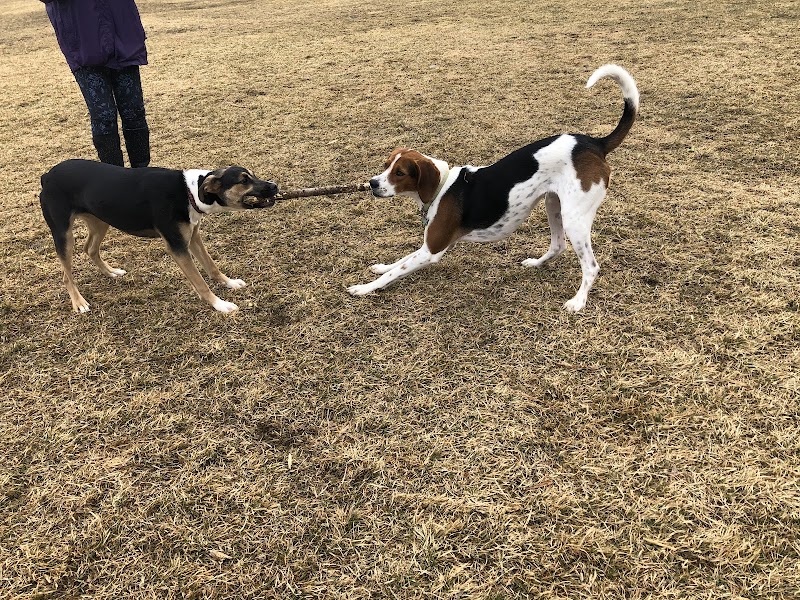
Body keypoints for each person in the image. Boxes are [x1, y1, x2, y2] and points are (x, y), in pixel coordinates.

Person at [41, 0, 151, 167]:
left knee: (134, 112)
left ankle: (142, 176)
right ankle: (114, 180)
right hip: (82, 38)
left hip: (122, 31)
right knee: (104, 117)